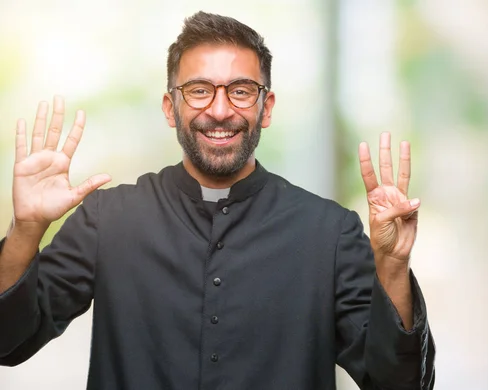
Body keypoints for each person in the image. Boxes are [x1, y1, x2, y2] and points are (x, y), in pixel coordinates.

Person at [0, 11, 435, 390]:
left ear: (266, 107)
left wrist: (392, 266)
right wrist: (26, 230)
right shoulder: (107, 219)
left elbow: (396, 383)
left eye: (241, 90)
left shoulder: (330, 232)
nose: (221, 110)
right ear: (171, 108)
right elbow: (8, 342)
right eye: (199, 90)